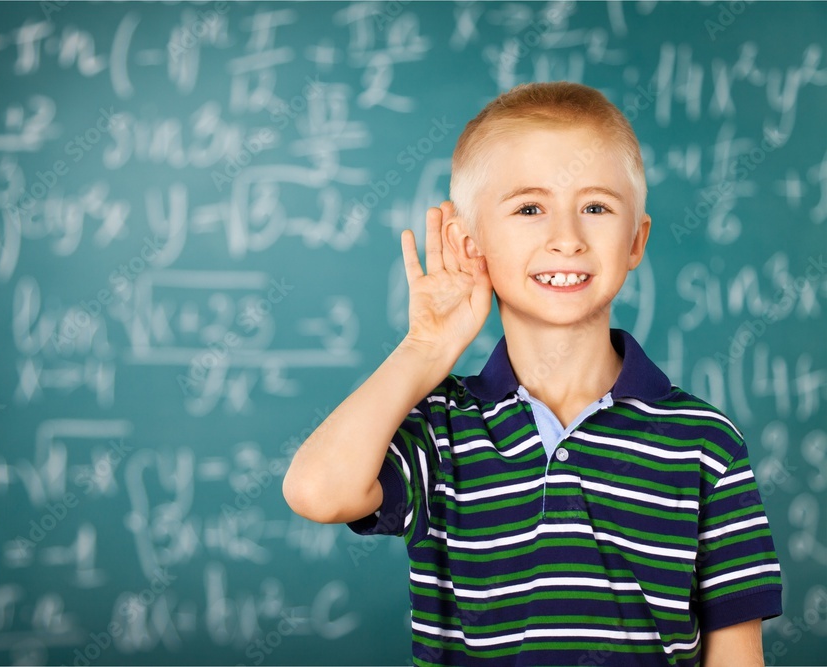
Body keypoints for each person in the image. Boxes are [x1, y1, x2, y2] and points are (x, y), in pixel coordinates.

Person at [282, 81, 782, 666]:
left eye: (595, 207)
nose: (566, 239)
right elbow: (317, 491)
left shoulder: (704, 442)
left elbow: (737, 654)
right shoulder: (441, 432)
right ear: (472, 244)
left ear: (636, 240)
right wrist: (425, 347)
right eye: (529, 208)